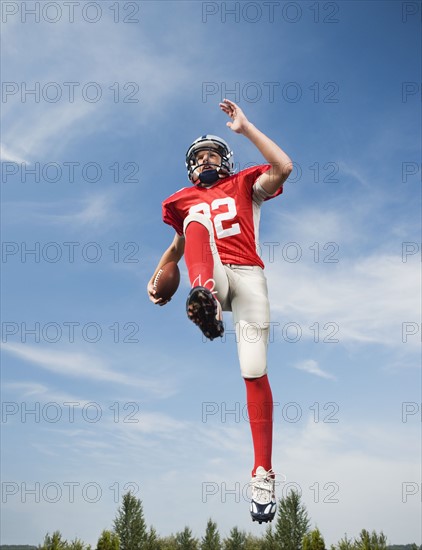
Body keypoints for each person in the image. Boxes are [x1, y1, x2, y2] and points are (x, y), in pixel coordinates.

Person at [147, 98, 293, 524]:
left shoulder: (246, 184)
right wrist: (155, 282)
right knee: (196, 223)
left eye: (212, 153)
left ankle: (262, 473)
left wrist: (246, 128)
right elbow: (176, 249)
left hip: (247, 279)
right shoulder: (185, 201)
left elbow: (283, 166)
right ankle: (204, 297)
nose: (205, 159)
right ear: (190, 166)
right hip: (210, 275)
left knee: (253, 370)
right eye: (198, 156)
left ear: (226, 160)